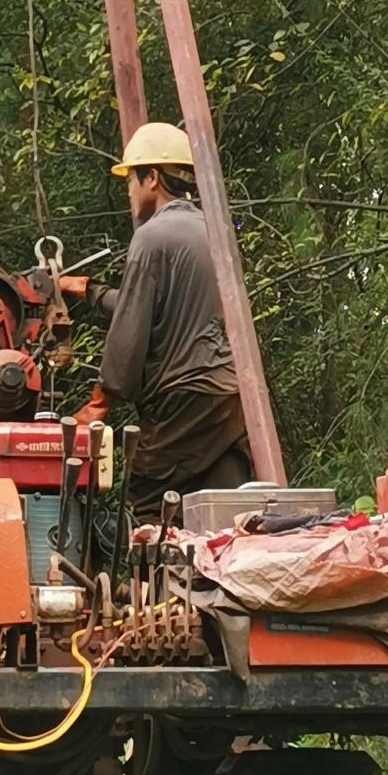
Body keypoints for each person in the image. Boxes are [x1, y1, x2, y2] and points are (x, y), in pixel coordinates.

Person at [71, 122, 253, 519]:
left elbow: (129, 334)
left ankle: (145, 582)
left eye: (132, 180)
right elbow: (159, 305)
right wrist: (89, 292)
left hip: (181, 402)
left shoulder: (152, 237)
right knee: (224, 520)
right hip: (227, 401)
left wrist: (99, 404)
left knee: (146, 512)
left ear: (152, 177)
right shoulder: (215, 232)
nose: (129, 192)